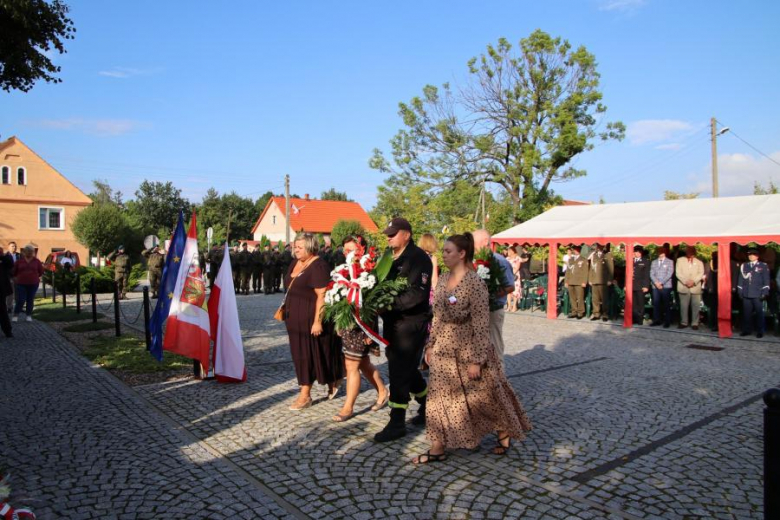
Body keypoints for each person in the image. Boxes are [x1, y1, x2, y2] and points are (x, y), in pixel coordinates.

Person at [412, 232, 532, 464]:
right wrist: (431, 344)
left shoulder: (474, 283)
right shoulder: (443, 279)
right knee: (438, 397)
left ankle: (503, 431)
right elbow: (437, 317)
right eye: (443, 251)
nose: (443, 255)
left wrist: (477, 360)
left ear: (462, 254)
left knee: (485, 395)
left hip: (468, 347)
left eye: (448, 251)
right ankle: (437, 447)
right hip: (444, 347)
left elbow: (481, 324)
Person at [374, 217, 433, 442]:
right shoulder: (389, 257)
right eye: (388, 234)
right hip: (393, 322)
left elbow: (417, 295)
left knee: (399, 370)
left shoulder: (418, 258)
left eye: (393, 234)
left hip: (411, 323)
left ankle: (397, 422)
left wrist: (388, 304)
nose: (389, 237)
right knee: (404, 367)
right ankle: (427, 404)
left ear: (406, 235)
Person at [284, 233, 344, 410]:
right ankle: (334, 376)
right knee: (300, 355)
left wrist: (317, 321)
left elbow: (322, 295)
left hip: (310, 319)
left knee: (308, 355)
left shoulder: (319, 266)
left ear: (310, 248)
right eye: (295, 246)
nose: (296, 250)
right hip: (293, 319)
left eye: (300, 247)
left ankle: (305, 395)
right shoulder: (295, 263)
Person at [332, 236, 389, 422]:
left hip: (362, 328)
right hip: (348, 326)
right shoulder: (344, 270)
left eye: (352, 250)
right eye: (346, 250)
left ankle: (348, 407)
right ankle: (382, 391)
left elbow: (372, 306)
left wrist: (369, 332)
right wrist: (339, 323)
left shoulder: (369, 271)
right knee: (363, 363)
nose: (348, 254)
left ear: (361, 251)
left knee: (352, 365)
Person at [473, 230, 515, 360]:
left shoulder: (499, 261)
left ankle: (497, 372)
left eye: (473, 244)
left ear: (485, 242)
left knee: (494, 348)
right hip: (475, 311)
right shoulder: (473, 261)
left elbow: (510, 286)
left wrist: (490, 295)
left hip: (493, 310)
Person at [737, 248, 770, 338]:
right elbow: (741, 279)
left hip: (757, 293)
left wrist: (765, 292)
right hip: (746, 293)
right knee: (746, 313)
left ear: (757, 256)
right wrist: (740, 291)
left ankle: (760, 331)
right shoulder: (744, 265)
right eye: (749, 254)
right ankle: (746, 330)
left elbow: (766, 280)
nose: (751, 256)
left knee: (759, 313)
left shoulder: (763, 265)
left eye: (753, 254)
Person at [12, 244, 44, 322]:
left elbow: (41, 271)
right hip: (21, 283)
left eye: (31, 251)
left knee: (30, 299)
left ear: (33, 252)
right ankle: (16, 315)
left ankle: (28, 315)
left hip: (33, 284)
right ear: (24, 252)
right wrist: (15, 278)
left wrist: (35, 277)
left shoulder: (36, 261)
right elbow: (13, 272)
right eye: (27, 251)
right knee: (21, 300)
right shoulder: (19, 261)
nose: (29, 253)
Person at [675, 246, 705, 330]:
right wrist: (686, 282)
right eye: (688, 251)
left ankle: (695, 323)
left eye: (691, 251)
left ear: (694, 252)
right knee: (683, 306)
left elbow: (701, 273)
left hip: (695, 287)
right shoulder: (680, 260)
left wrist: (694, 281)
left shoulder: (699, 262)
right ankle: (684, 322)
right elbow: (678, 273)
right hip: (683, 286)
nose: (689, 253)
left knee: (695, 306)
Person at [588, 243, 614, 321]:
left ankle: (605, 314)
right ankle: (596, 313)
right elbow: (591, 268)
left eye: (600, 246)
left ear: (603, 246)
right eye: (598, 246)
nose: (599, 247)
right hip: (594, 280)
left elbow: (611, 268)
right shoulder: (594, 255)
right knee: (595, 299)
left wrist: (610, 279)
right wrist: (590, 279)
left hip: (603, 280)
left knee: (604, 299)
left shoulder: (607, 255)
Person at [650, 246, 674, 328]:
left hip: (666, 286)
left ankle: (667, 321)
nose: (660, 252)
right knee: (656, 303)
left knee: (666, 304)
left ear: (665, 252)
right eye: (659, 251)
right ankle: (656, 320)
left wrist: (661, 283)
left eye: (662, 251)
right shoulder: (654, 262)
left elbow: (669, 274)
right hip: (655, 286)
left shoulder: (670, 262)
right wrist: (656, 282)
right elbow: (651, 273)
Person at [564, 245, 588, 319]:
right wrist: (566, 281)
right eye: (574, 250)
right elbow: (568, 271)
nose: (576, 251)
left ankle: (580, 312)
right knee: (572, 298)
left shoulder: (583, 259)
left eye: (577, 250)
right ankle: (574, 311)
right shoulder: (570, 260)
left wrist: (584, 281)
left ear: (579, 250)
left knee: (580, 298)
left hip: (579, 282)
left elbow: (585, 272)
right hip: (570, 281)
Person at [631, 246, 651, 325]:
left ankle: (640, 319)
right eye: (635, 251)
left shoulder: (645, 261)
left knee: (640, 303)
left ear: (640, 253)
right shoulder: (631, 261)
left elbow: (646, 275)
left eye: (637, 252)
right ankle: (634, 318)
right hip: (632, 285)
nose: (636, 253)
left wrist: (646, 286)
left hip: (640, 286)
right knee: (633, 304)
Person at [418, 233, 440, 300]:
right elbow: (434, 279)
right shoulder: (432, 258)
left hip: (415, 290)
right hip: (427, 292)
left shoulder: (415, 256)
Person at [0, 247, 13, 337]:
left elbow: (10, 263)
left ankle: (7, 330)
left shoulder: (4, 259)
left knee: (2, 309)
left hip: (1, 288)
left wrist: (2, 256)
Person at [506, 246, 522, 313]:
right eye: (508, 251)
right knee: (508, 292)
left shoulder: (517, 258)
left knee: (515, 291)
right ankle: (509, 306)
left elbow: (517, 268)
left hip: (515, 276)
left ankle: (514, 306)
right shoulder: (507, 259)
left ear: (513, 251)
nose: (508, 252)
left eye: (509, 251)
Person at [4, 241, 19, 313]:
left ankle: (19, 307)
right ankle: (9, 307)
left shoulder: (20, 256)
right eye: (12, 246)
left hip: (19, 277)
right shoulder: (5, 256)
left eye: (15, 246)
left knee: (19, 292)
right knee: (10, 293)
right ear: (8, 247)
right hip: (9, 277)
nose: (14, 247)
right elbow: (5, 268)